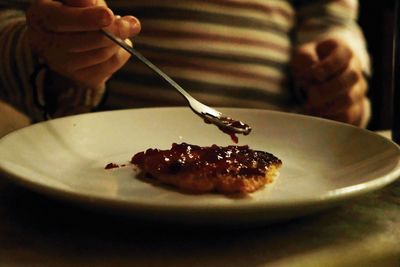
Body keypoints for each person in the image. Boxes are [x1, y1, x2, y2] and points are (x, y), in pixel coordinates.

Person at [0, 0, 371, 136]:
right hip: (100, 160)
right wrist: (46, 51)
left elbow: (330, 17)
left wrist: (338, 68)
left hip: (291, 149)